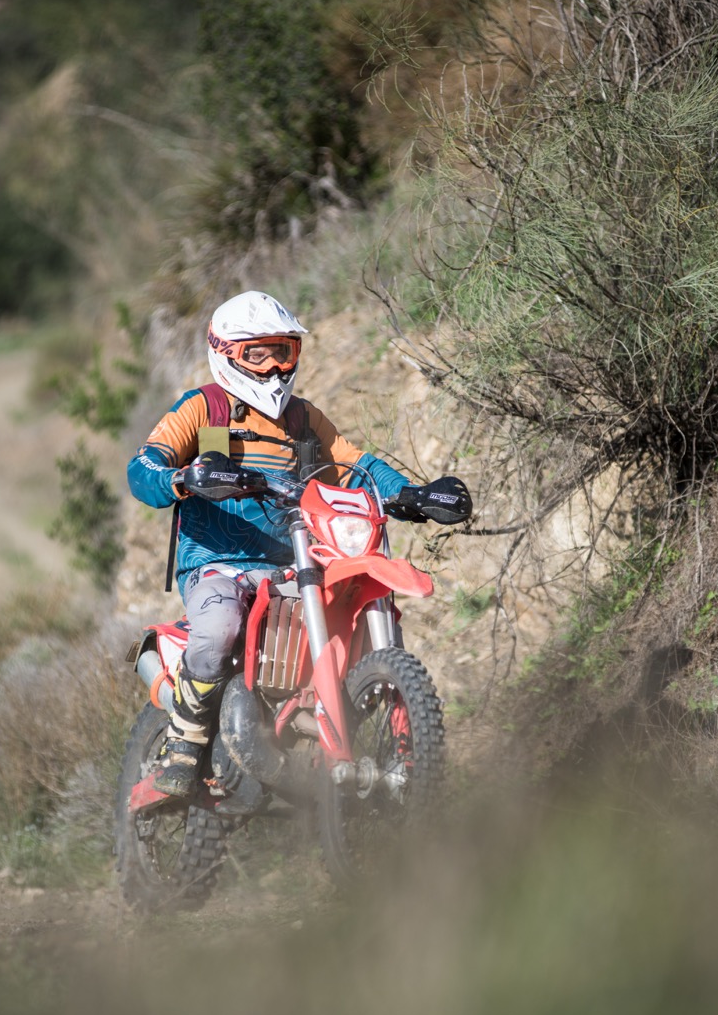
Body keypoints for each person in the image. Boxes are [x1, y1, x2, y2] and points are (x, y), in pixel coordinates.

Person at [128, 290, 468, 798]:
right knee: (219, 628)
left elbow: (358, 466)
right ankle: (184, 742)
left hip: (294, 559)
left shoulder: (304, 419)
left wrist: (412, 493)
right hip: (218, 562)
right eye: (257, 354)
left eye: (283, 351)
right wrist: (185, 476)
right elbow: (144, 467)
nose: (273, 367)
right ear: (226, 354)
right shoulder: (206, 409)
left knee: (344, 611)